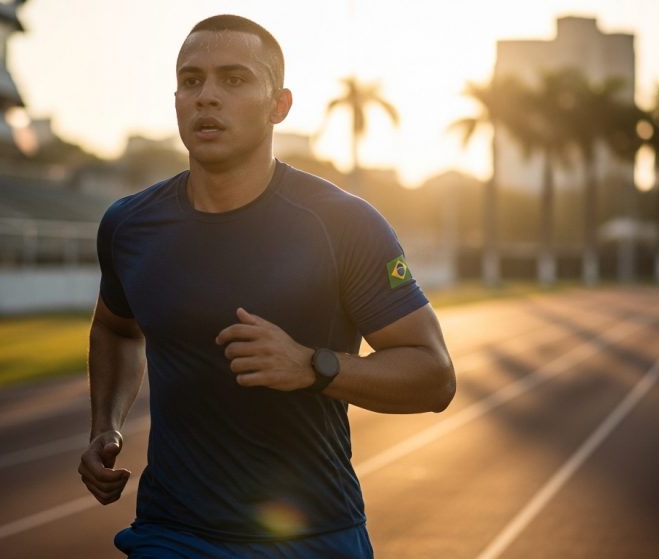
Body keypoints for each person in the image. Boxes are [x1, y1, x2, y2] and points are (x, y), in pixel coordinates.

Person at [78, 14, 456, 558]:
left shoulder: (343, 224)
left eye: (234, 80)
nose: (207, 96)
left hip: (313, 534)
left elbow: (434, 375)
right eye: (191, 81)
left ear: (280, 104)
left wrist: (311, 366)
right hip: (172, 532)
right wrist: (104, 427)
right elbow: (115, 329)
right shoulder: (129, 225)